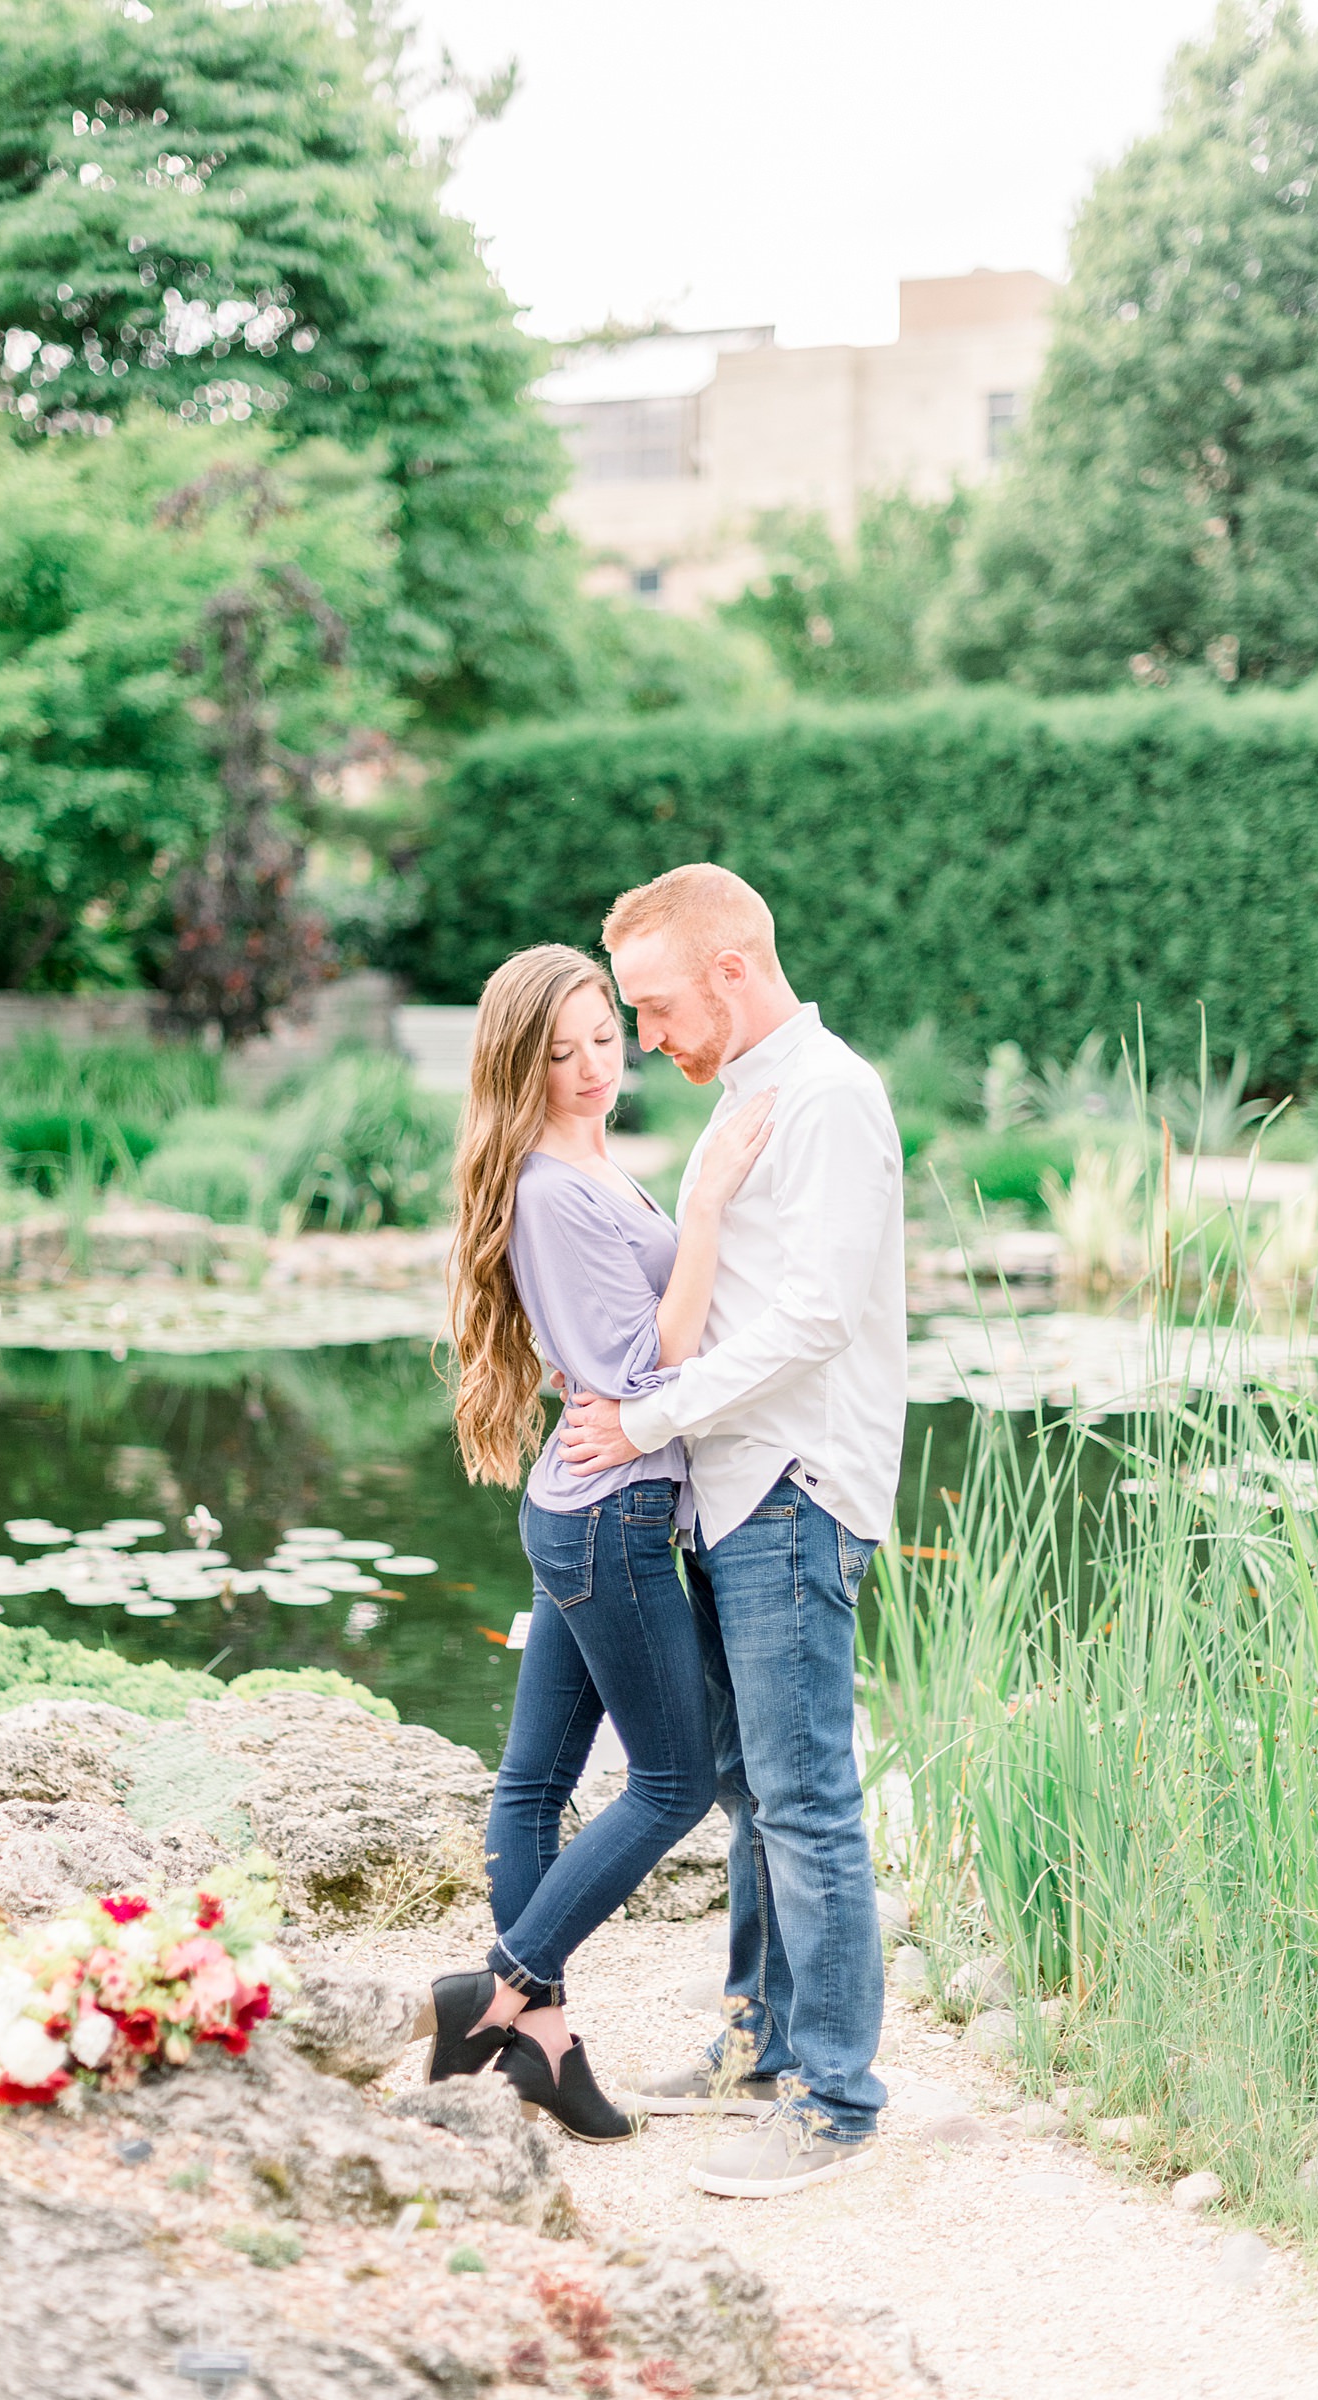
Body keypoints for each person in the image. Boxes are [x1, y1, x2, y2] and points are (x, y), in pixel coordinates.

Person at [557, 862, 906, 2198]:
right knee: (753, 1789)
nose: (646, 1040)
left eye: (652, 1008)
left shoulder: (826, 1098)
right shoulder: (748, 1104)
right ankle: (758, 2049)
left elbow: (814, 1316)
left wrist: (646, 1426)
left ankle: (835, 2099)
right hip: (730, 1486)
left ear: (729, 970)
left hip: (795, 1488)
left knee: (807, 1800)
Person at [412, 940, 775, 2142]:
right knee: (670, 1785)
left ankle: (543, 2047)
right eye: (559, 1052)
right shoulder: (556, 1191)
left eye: (604, 1040)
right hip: (610, 1518)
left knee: (534, 1786)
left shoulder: (589, 1168)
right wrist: (713, 1201)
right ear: (520, 1062)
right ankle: (499, 1995)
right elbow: (644, 1372)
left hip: (583, 1506)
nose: (589, 1068)